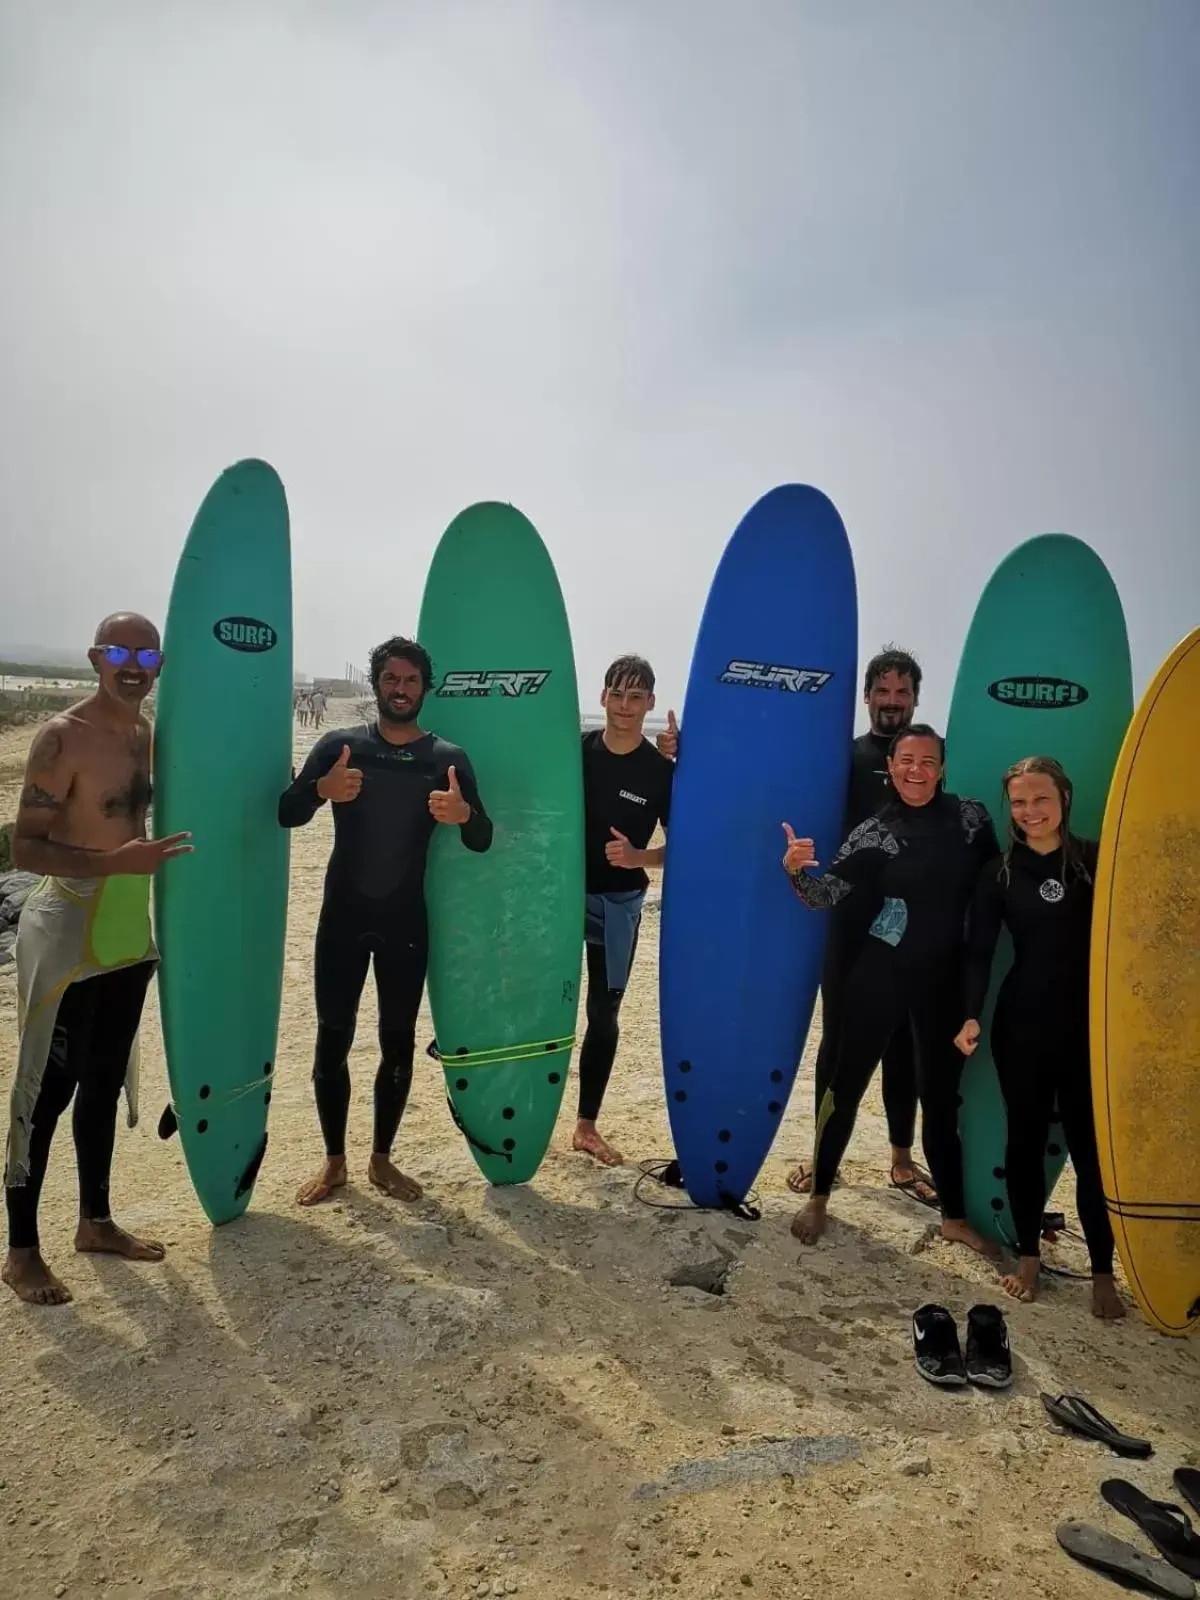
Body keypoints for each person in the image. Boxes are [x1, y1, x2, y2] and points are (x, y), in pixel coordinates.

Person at [2, 614, 193, 1306]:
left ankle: (96, 1223)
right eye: (120, 650)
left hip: (124, 930)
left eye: (146, 652)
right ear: (95, 658)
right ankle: (21, 1251)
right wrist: (116, 860)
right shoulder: (62, 738)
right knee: (44, 1090)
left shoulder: (145, 734)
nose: (133, 663)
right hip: (68, 925)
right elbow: (25, 847)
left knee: (104, 1081)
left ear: (160, 663)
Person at [279, 636, 492, 1206]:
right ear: (377, 684)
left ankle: (381, 1160)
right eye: (391, 679)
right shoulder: (340, 746)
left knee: (397, 1043)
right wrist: (320, 790)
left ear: (426, 687)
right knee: (332, 1038)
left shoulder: (446, 759)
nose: (400, 689)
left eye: (411, 680)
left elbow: (482, 837)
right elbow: (287, 811)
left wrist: (464, 813)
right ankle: (334, 1163)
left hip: (405, 922)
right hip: (343, 917)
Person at [782, 725, 999, 1254]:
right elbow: (824, 893)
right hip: (880, 975)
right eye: (906, 760)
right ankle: (819, 1195)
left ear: (942, 767)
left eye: (928, 761)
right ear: (892, 766)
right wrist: (794, 871)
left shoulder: (971, 819)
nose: (916, 770)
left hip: (943, 981)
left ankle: (953, 1217)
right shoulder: (875, 831)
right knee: (846, 1085)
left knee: (941, 1100)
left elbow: (996, 879)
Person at [955, 756, 1124, 1319]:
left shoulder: (1098, 861)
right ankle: (1028, 1254)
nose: (1030, 812)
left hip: (1089, 1030)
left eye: (1040, 799)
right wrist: (971, 1014)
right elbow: (979, 951)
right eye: (1020, 802)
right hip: (1022, 1024)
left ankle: (1103, 1267)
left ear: (1065, 799)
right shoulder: (1000, 872)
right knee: (1023, 1142)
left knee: (1092, 1151)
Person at [785, 648, 933, 1203]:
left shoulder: (926, 759)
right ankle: (824, 1151)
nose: (892, 701)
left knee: (904, 1044)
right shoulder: (843, 757)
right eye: (883, 691)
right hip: (849, 919)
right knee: (838, 1041)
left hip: (910, 924)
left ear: (914, 698)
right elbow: (782, 774)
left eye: (902, 692)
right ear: (867, 696)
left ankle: (901, 1158)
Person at [573, 655, 674, 1166]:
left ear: (650, 703)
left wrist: (640, 858)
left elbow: (685, 846)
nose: (626, 706)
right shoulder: (577, 752)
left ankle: (586, 1125)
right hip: (563, 898)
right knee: (545, 1002)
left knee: (603, 1013)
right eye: (618, 694)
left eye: (637, 698)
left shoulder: (660, 772)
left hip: (618, 903)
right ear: (603, 697)